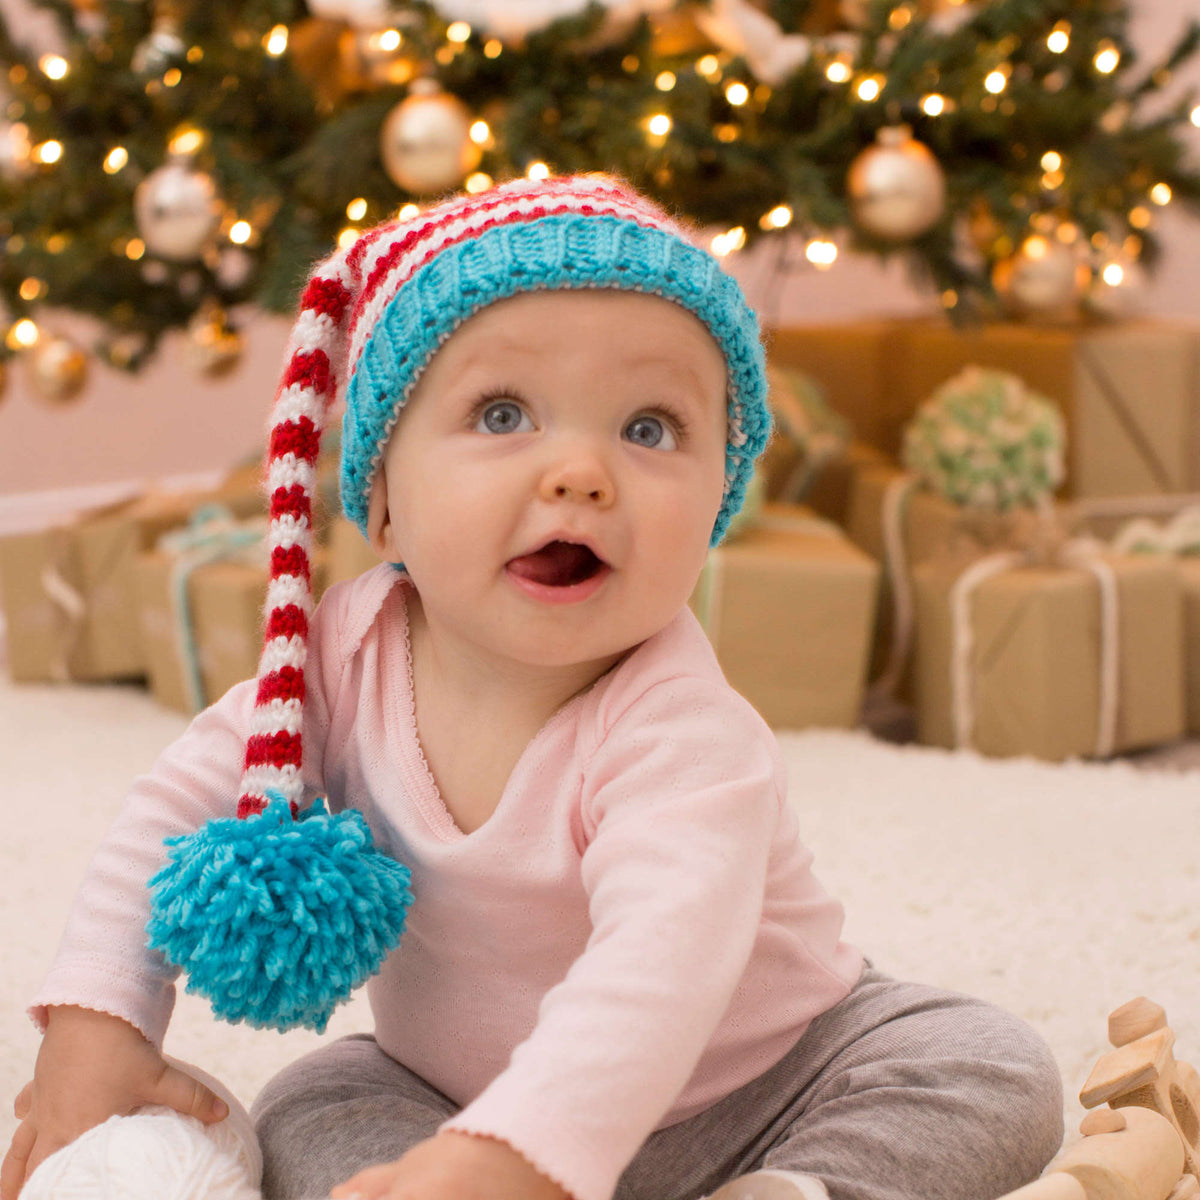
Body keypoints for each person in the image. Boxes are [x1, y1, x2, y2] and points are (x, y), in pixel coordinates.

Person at [2, 174, 1064, 1200]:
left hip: (767, 1085)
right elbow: (170, 811)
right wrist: (99, 1022)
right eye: (504, 414)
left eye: (649, 429)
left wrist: (527, 1153)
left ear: (717, 504)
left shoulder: (682, 729)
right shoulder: (342, 659)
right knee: (316, 1099)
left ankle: (792, 1188)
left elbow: (661, 969)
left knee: (987, 1064)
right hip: (457, 1099)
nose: (581, 474)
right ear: (384, 495)